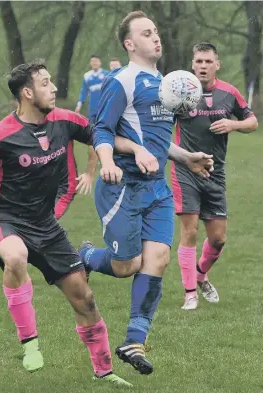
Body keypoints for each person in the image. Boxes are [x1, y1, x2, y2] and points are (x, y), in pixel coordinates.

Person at [0, 60, 132, 387]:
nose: (53, 87)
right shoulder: (0, 134)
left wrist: (136, 152)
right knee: (15, 257)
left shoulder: (66, 121)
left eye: (51, 81)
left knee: (85, 299)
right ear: (27, 93)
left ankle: (105, 371)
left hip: (45, 224)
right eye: (44, 83)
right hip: (2, 218)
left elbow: (101, 135)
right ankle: (30, 345)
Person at [79, 11, 214, 375]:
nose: (156, 38)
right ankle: (86, 256)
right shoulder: (120, 81)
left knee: (158, 260)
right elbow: (101, 130)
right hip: (122, 185)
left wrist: (187, 157)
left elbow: (156, 143)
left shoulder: (167, 84)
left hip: (157, 188)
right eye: (146, 33)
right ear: (129, 43)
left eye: (155, 32)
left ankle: (134, 339)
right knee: (126, 266)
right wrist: (110, 158)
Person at [172, 43, 258, 310]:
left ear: (217, 65)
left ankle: (200, 275)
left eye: (208, 61)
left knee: (218, 239)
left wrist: (234, 124)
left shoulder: (228, 93)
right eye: (198, 61)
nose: (203, 66)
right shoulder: (180, 93)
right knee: (190, 231)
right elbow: (161, 130)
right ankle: (190, 295)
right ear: (192, 64)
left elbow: (252, 121)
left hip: (215, 172)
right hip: (185, 171)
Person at [75, 55, 109, 123]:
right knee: (92, 128)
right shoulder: (87, 76)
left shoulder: (107, 74)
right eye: (92, 61)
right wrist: (79, 105)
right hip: (92, 108)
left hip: (105, 107)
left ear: (100, 62)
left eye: (96, 61)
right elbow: (83, 92)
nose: (94, 63)